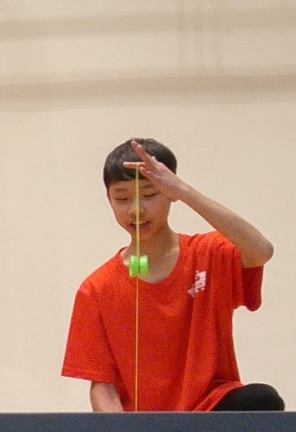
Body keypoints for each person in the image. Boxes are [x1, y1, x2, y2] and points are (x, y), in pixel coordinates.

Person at [63, 138, 280, 412]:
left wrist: (184, 192)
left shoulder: (208, 253)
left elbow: (261, 250)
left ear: (170, 192)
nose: (136, 209)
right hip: (147, 428)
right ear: (109, 200)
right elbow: (103, 387)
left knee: (261, 399)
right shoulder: (97, 289)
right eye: (122, 198)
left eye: (150, 194)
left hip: (210, 412)